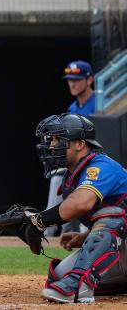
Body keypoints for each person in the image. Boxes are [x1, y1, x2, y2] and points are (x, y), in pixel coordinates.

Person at [27, 114, 127, 303]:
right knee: (58, 275)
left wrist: (39, 220)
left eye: (59, 139)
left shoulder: (100, 166)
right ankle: (76, 282)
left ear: (80, 144)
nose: (52, 145)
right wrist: (86, 237)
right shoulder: (71, 178)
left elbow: (82, 203)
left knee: (112, 215)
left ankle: (77, 284)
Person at [44, 60, 96, 237]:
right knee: (57, 176)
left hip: (93, 161)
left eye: (77, 79)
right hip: (76, 161)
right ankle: (48, 232)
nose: (72, 83)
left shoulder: (99, 102)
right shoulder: (73, 108)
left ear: (89, 80)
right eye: (70, 79)